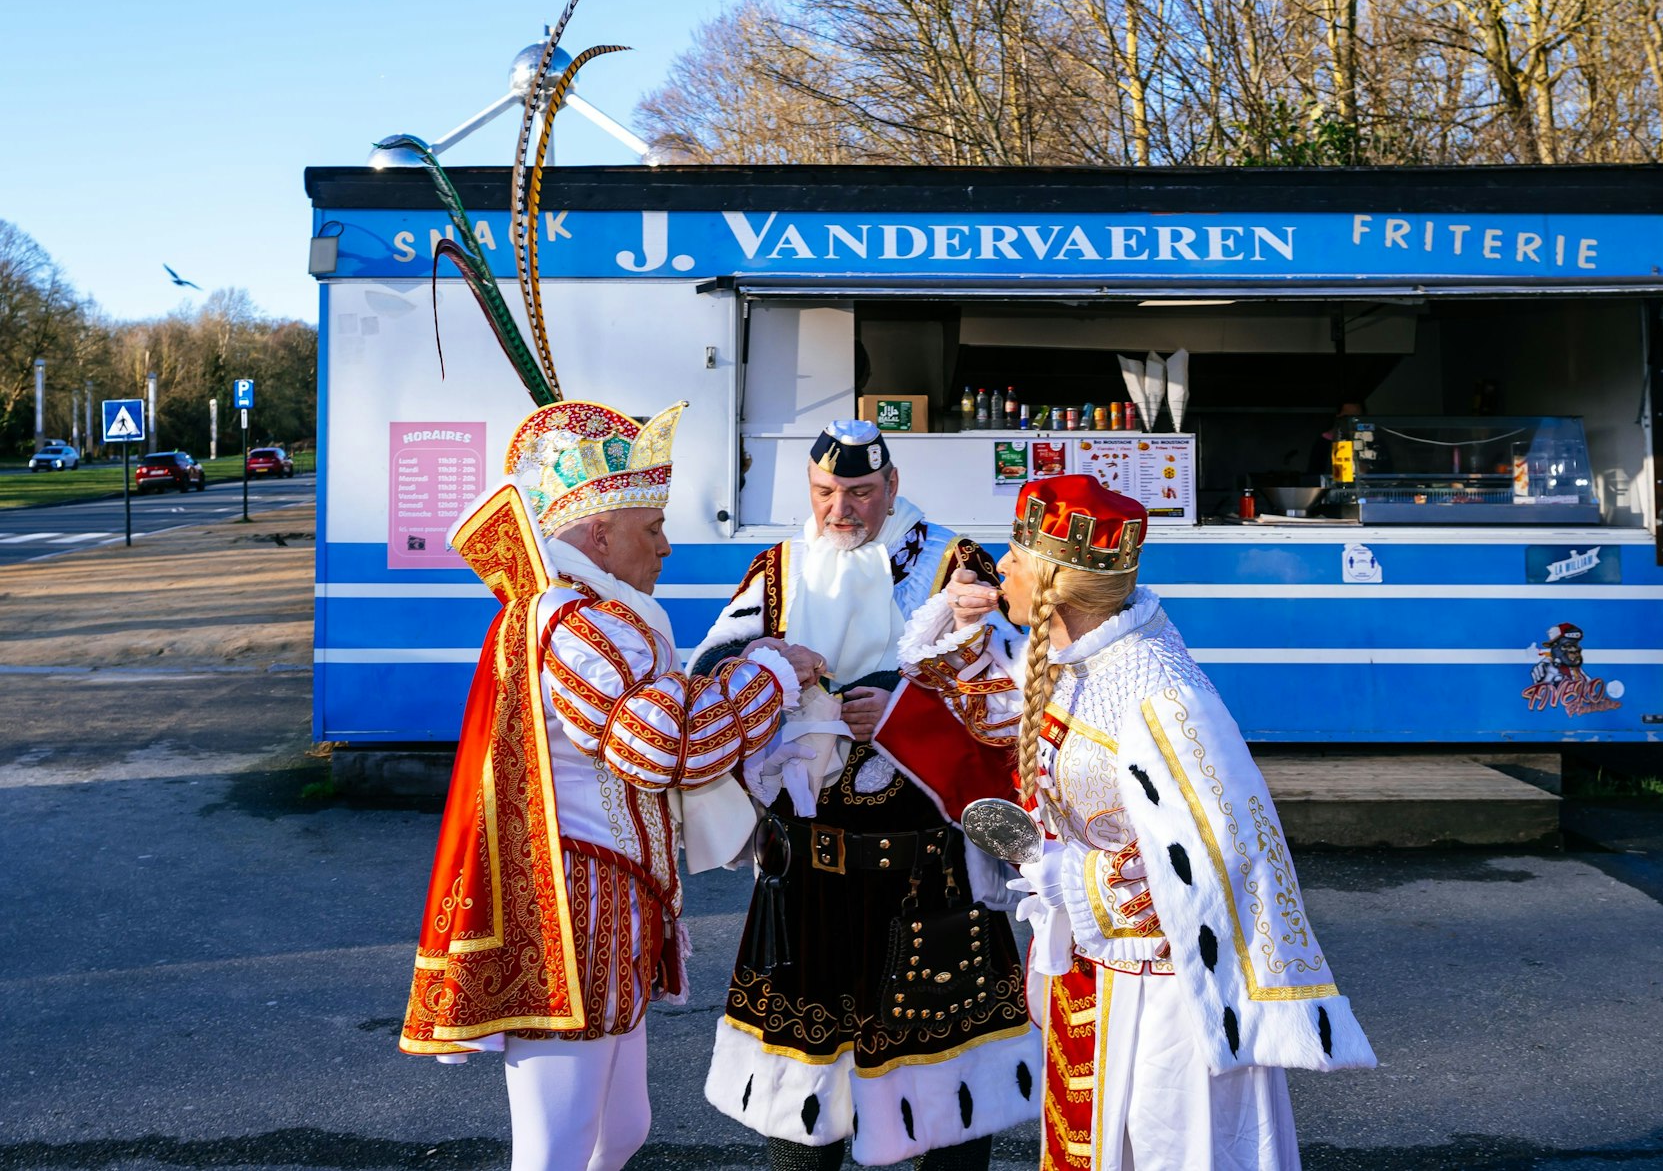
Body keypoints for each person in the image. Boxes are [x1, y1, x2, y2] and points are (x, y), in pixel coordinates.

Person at [904, 474, 1376, 1171]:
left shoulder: (1157, 691)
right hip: (1099, 974)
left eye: (1015, 556)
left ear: (1058, 583)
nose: (999, 567)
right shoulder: (1076, 663)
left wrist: (1063, 873)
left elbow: (1219, 858)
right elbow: (995, 712)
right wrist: (957, 620)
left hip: (1167, 999)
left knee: (1162, 1149)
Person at [399, 398, 822, 1171]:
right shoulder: (574, 619)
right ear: (599, 533)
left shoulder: (600, 613)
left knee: (620, 1129)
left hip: (613, 898)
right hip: (572, 904)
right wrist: (767, 674)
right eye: (650, 527)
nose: (665, 546)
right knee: (557, 1146)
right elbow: (663, 746)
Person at [695, 419, 1041, 1171]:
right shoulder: (779, 568)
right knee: (802, 1093)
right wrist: (763, 656)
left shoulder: (958, 563)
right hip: (808, 868)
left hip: (929, 868)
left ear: (890, 487)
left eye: (858, 493)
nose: (839, 511)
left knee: (947, 1087)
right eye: (824, 493)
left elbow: (1015, 695)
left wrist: (903, 703)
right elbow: (709, 667)